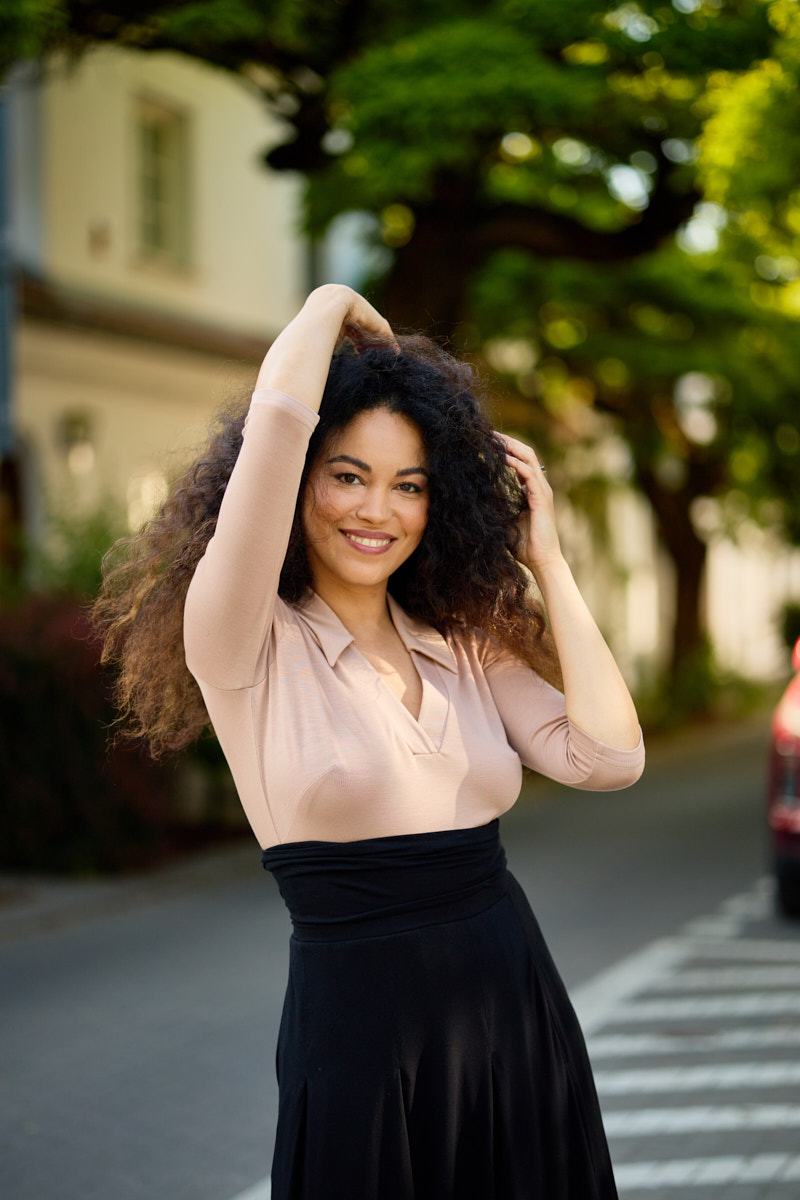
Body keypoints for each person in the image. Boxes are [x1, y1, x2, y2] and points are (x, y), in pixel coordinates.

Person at [94, 284, 644, 1199]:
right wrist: (327, 306)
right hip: (360, 1038)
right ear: (302, 480)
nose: (375, 510)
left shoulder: (463, 639)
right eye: (348, 474)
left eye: (410, 485)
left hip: (513, 1009)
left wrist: (546, 559)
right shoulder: (242, 637)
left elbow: (609, 760)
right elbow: (273, 426)